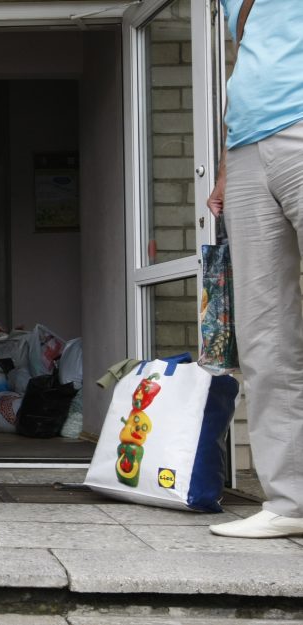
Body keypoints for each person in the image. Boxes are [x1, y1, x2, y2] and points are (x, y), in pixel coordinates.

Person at [206, 0, 303, 538]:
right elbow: (248, 63)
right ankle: (289, 504)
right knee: (265, 335)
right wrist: (226, 163)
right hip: (246, 149)